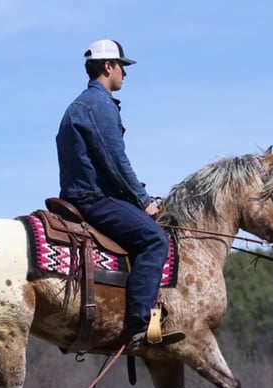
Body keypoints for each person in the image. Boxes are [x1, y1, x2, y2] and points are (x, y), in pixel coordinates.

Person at [55, 39, 184, 351]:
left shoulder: (81, 105)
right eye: (122, 67)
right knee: (155, 239)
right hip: (94, 199)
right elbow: (115, 161)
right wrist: (144, 202)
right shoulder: (98, 106)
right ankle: (141, 328)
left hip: (82, 194)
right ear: (108, 67)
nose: (125, 74)